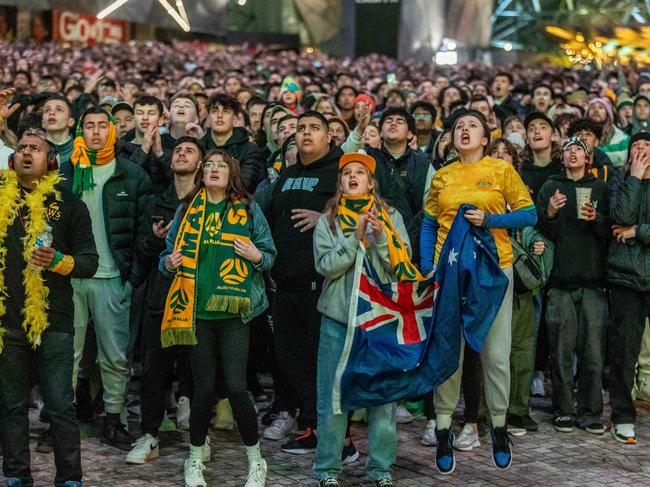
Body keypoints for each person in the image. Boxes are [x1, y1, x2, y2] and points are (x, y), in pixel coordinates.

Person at [420, 110, 536, 474]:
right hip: (449, 272)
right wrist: (427, 263)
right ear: (452, 139)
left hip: (493, 269)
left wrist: (492, 220)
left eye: (472, 126)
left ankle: (499, 428)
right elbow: (427, 222)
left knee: (496, 354)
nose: (464, 130)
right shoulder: (442, 176)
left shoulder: (501, 170)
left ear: (486, 138)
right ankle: (442, 428)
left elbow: (529, 214)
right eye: (458, 127)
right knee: (448, 352)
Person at [160, 149, 276, 487]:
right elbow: (165, 256)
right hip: (196, 313)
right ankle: (195, 459)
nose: (213, 169)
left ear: (232, 173)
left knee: (238, 388)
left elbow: (269, 255)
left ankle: (256, 461)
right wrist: (168, 263)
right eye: (208, 164)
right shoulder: (187, 209)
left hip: (234, 314)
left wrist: (257, 256)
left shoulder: (248, 208)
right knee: (203, 390)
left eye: (220, 165)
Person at [0, 128, 98, 487]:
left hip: (54, 321)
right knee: (10, 406)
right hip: (5, 321)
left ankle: (70, 479)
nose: (27, 153)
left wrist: (59, 260)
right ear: (12, 160)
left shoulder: (70, 205)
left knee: (60, 406)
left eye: (36, 149)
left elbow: (89, 261)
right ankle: (15, 476)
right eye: (22, 148)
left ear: (51, 161)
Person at [59, 106, 151, 451]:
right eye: (89, 126)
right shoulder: (66, 172)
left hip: (113, 277)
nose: (96, 132)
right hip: (70, 277)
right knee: (67, 354)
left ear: (113, 131)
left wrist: (133, 277)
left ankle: (114, 418)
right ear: (81, 131)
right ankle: (61, 422)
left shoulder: (131, 174)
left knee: (114, 356)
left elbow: (144, 229)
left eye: (102, 126)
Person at [313, 153, 406, 487]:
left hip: (379, 323)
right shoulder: (329, 221)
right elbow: (325, 266)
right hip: (337, 322)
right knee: (333, 401)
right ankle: (327, 470)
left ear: (371, 182)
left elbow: (401, 268)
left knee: (382, 401)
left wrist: (381, 238)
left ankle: (381, 468)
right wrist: (355, 238)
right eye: (346, 173)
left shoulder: (391, 216)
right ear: (340, 183)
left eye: (360, 173)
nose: (352, 177)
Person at [257, 111, 343, 452]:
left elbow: (363, 210)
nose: (305, 133)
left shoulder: (339, 173)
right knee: (290, 361)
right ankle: (309, 424)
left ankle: (329, 433)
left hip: (320, 285)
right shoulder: (287, 174)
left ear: (328, 137)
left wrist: (325, 217)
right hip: (285, 283)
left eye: (314, 128)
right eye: (301, 128)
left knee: (318, 362)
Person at [126, 136, 204, 465]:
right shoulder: (157, 201)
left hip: (199, 299)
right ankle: (150, 436)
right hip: (161, 295)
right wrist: (155, 240)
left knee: (199, 371)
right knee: (154, 371)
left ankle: (201, 440)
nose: (182, 154)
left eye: (190, 151)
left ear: (201, 164)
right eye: (178, 151)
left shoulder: (211, 201)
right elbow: (140, 252)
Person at [536, 137, 609, 434]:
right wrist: (550, 213)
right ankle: (563, 410)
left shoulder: (600, 189)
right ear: (562, 158)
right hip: (560, 283)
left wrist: (597, 219)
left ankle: (591, 413)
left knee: (593, 354)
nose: (573, 153)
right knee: (561, 352)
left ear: (588, 157)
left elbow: (609, 234)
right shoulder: (549, 187)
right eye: (568, 150)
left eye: (579, 149)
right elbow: (539, 233)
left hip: (593, 282)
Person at [607, 132, 650, 444]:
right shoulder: (619, 183)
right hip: (626, 277)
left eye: (647, 146)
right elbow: (619, 215)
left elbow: (629, 224)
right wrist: (634, 178)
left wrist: (637, 231)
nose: (641, 150)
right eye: (636, 146)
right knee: (624, 351)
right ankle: (622, 416)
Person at [200, 93, 265, 192]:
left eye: (226, 111)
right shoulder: (198, 148)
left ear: (234, 119)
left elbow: (244, 185)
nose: (219, 115)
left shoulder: (250, 149)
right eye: (214, 111)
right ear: (208, 118)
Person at [119, 95, 172, 194]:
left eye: (151, 113)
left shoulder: (169, 151)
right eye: (140, 113)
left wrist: (160, 155)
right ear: (133, 119)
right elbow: (123, 181)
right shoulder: (121, 149)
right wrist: (143, 150)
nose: (145, 118)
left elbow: (177, 183)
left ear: (160, 120)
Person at [586, 97, 629, 168]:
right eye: (592, 107)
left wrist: (591, 153)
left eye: (601, 107)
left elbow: (621, 155)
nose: (596, 110)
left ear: (608, 115)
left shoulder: (621, 136)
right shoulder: (578, 133)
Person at [42, 94, 75, 162]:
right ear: (42, 122)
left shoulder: (82, 153)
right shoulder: (31, 153)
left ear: (70, 122)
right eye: (47, 110)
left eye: (59, 109)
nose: (51, 113)